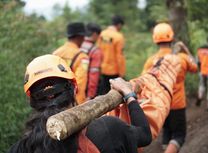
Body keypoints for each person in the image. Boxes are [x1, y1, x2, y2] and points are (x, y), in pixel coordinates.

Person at [8, 54, 151, 153]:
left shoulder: (22, 147)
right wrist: (129, 95)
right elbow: (144, 135)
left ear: (32, 101)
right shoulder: (109, 129)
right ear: (75, 88)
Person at [161, 42, 197, 153]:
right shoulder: (183, 58)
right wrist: (186, 49)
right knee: (179, 135)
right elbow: (195, 67)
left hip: (162, 103)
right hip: (177, 103)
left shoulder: (157, 59)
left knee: (166, 131)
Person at [53, 22, 89, 104]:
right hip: (75, 102)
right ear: (80, 36)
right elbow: (80, 83)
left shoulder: (56, 53)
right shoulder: (82, 57)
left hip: (57, 101)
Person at [98, 15, 126, 95]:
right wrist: (122, 73)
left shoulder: (102, 34)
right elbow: (119, 56)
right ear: (119, 25)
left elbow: (99, 50)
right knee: (114, 95)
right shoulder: (118, 37)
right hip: (114, 71)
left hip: (103, 69)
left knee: (104, 94)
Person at [80, 23, 102, 99]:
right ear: (95, 34)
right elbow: (94, 75)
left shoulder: (77, 45)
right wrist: (90, 95)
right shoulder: (95, 51)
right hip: (85, 89)